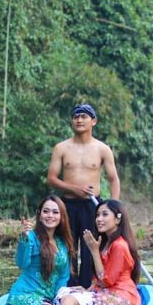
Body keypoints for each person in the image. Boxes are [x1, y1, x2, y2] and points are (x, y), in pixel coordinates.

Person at [47, 103, 120, 288]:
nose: (79, 120)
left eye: (84, 116)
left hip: (92, 206)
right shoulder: (61, 148)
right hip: (68, 205)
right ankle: (67, 289)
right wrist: (73, 189)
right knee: (68, 248)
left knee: (90, 248)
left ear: (93, 121)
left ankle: (89, 289)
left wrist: (114, 206)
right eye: (76, 116)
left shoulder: (102, 149)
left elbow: (113, 179)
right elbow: (52, 179)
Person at [56, 199, 141, 305]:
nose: (99, 219)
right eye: (97, 215)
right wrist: (88, 290)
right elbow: (99, 280)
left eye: (105, 214)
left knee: (69, 300)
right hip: (106, 295)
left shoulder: (119, 246)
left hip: (122, 301)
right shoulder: (107, 243)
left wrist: (94, 251)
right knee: (63, 292)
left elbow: (107, 281)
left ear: (118, 219)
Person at [6, 195, 74, 305]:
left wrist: (59, 300)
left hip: (47, 301)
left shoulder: (62, 243)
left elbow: (63, 277)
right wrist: (24, 239)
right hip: (23, 296)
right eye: (46, 211)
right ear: (39, 214)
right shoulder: (31, 237)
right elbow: (21, 263)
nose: (50, 215)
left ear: (62, 216)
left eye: (55, 212)